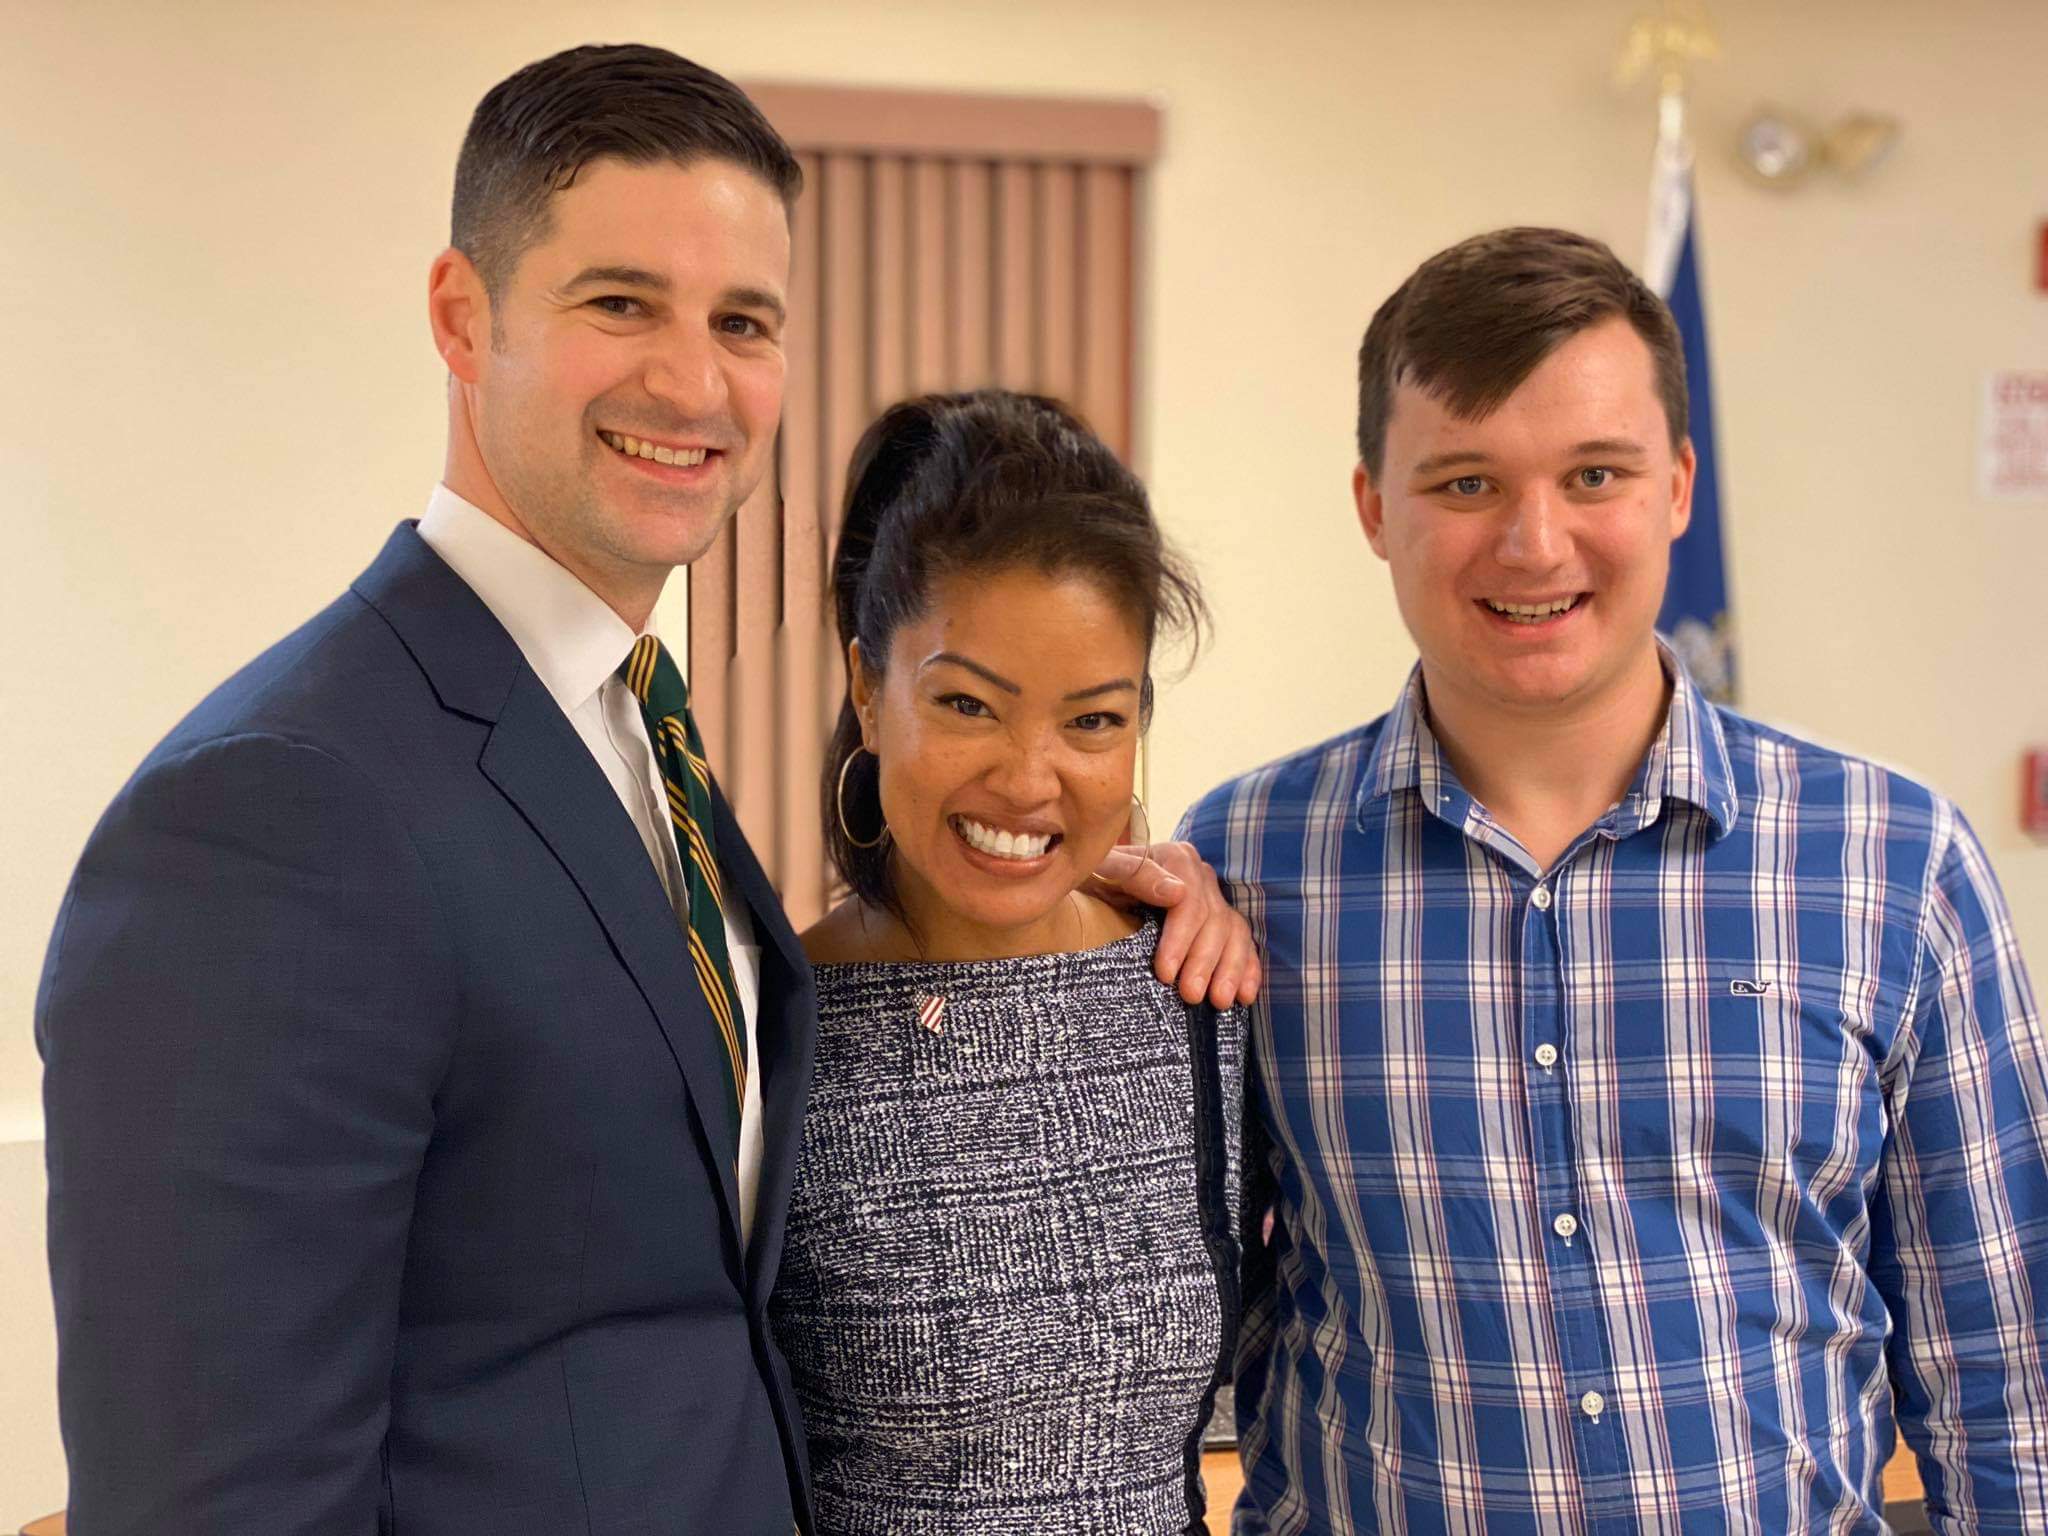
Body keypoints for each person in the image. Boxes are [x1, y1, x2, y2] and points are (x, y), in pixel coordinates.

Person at [34, 46, 1255, 1535]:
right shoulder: (277, 808)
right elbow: (211, 1499)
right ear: (461, 317)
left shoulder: (642, 748)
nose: (693, 380)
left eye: (742, 321)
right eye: (621, 302)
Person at [1184, 226, 2048, 1533]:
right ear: (1373, 505)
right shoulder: (1245, 869)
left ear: (1679, 488)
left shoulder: (1896, 861)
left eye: (1595, 473)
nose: (1536, 544)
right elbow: (1147, 1331)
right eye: (1465, 483)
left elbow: (2008, 1375)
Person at [769, 390, 1246, 1535]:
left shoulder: (1199, 995)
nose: (1031, 781)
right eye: (969, 703)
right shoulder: (768, 1030)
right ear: (865, 690)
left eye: (1090, 721)